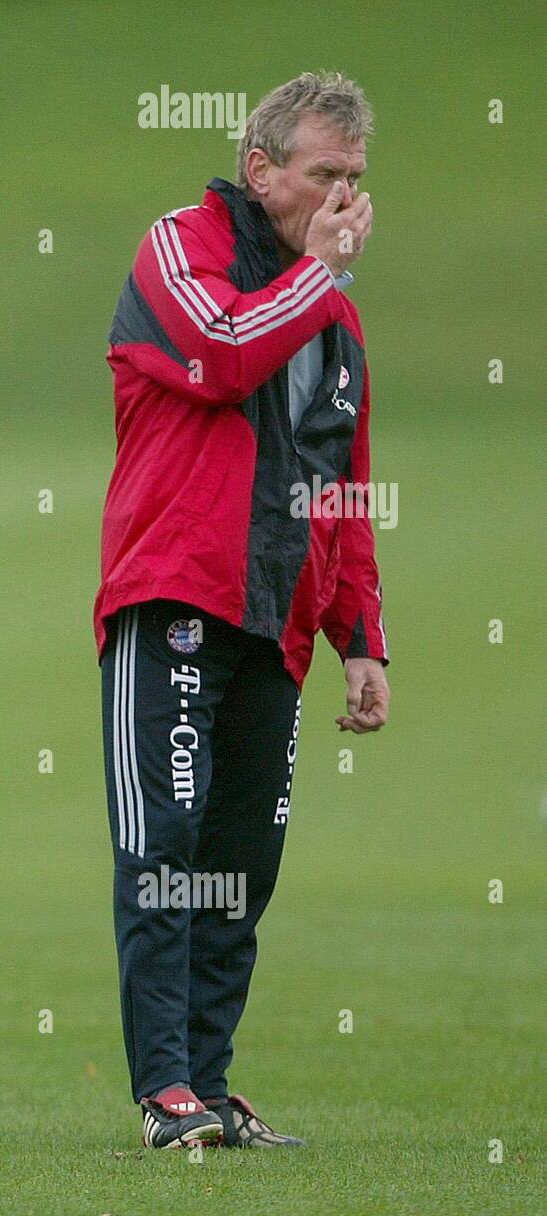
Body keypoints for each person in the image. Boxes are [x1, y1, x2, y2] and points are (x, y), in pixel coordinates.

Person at [94, 72, 390, 1150]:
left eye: (355, 181)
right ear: (260, 169)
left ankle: (210, 1088)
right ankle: (162, 1090)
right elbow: (217, 354)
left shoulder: (336, 317)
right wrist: (316, 275)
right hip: (172, 588)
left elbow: (340, 482)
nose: (344, 201)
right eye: (324, 176)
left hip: (279, 619)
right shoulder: (179, 245)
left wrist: (361, 636)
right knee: (161, 841)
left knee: (240, 862)